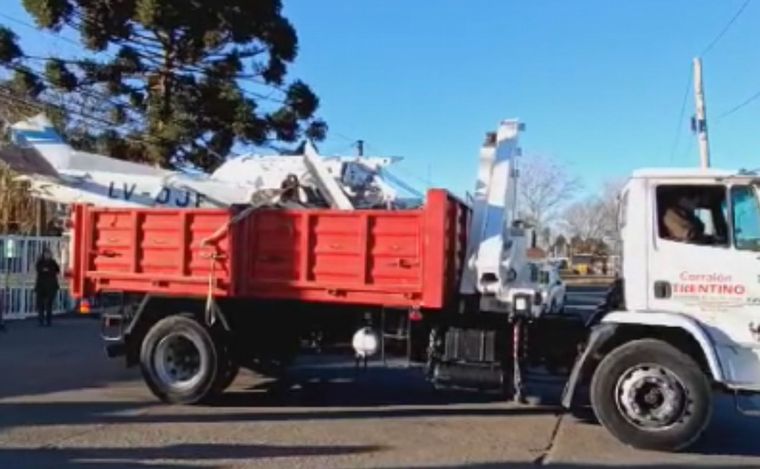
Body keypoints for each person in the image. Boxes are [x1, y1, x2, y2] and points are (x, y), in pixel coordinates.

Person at [35, 247, 60, 327]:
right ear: (43, 254)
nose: (47, 255)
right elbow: (39, 269)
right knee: (40, 305)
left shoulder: (53, 262)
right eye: (46, 253)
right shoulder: (40, 262)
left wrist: (47, 270)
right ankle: (41, 321)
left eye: (49, 254)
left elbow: (56, 270)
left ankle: (49, 321)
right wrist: (46, 270)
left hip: (51, 287)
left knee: (49, 304)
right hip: (41, 286)